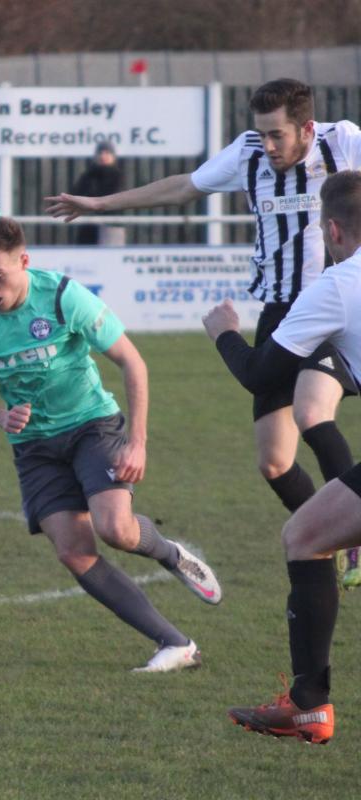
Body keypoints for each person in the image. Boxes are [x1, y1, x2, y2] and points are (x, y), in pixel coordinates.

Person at [46, 79, 361, 533]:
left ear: (307, 128)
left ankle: (348, 535)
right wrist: (100, 203)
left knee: (311, 414)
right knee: (274, 461)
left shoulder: (343, 142)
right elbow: (184, 187)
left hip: (332, 305)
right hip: (280, 311)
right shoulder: (248, 153)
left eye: (277, 134)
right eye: (262, 133)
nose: (268, 145)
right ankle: (328, 530)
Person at [0, 217, 222, 672]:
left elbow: (132, 363)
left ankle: (170, 554)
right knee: (73, 551)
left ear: (24, 261)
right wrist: (1, 416)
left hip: (91, 426)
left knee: (116, 530)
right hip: (34, 447)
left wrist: (137, 442)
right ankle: (175, 644)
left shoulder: (63, 297)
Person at [205, 170, 361, 744]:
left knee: (304, 537)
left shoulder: (338, 284)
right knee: (308, 532)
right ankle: (307, 704)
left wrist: (224, 332)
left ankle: (309, 705)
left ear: (332, 231)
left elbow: (259, 375)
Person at [69, 141, 124, 246]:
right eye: (100, 153)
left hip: (111, 225)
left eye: (107, 153)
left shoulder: (118, 176)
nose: (103, 156)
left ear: (113, 156)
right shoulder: (88, 175)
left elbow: (111, 199)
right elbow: (76, 194)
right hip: (88, 225)